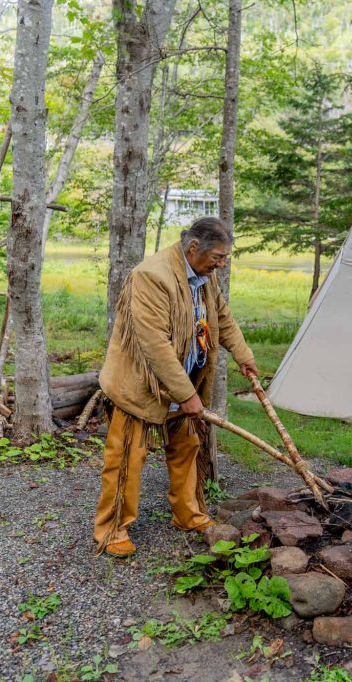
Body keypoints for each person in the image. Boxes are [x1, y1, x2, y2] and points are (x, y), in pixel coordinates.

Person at [94, 217, 257, 558]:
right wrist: (186, 395)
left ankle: (188, 513)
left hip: (185, 383)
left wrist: (244, 356)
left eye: (226, 257)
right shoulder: (152, 276)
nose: (222, 264)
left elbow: (221, 318)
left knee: (187, 448)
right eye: (219, 256)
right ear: (193, 247)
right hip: (140, 387)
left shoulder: (204, 278)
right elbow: (154, 344)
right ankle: (112, 530)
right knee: (126, 458)